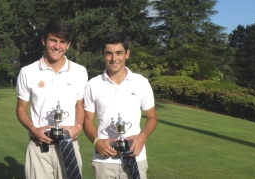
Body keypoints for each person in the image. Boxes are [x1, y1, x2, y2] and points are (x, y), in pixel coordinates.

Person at [16, 19, 88, 179]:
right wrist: (34, 130)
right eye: (53, 40)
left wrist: (78, 127)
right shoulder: (27, 72)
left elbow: (80, 106)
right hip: (39, 147)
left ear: (68, 44)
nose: (57, 46)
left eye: (62, 42)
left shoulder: (79, 71)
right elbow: (21, 109)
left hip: (69, 146)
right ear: (44, 40)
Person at [83, 32, 158, 179]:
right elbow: (87, 120)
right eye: (109, 54)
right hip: (104, 160)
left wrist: (142, 137)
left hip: (135, 156)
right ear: (103, 55)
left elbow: (152, 117)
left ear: (127, 54)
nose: (114, 58)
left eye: (119, 53)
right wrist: (96, 141)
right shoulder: (93, 84)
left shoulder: (141, 82)